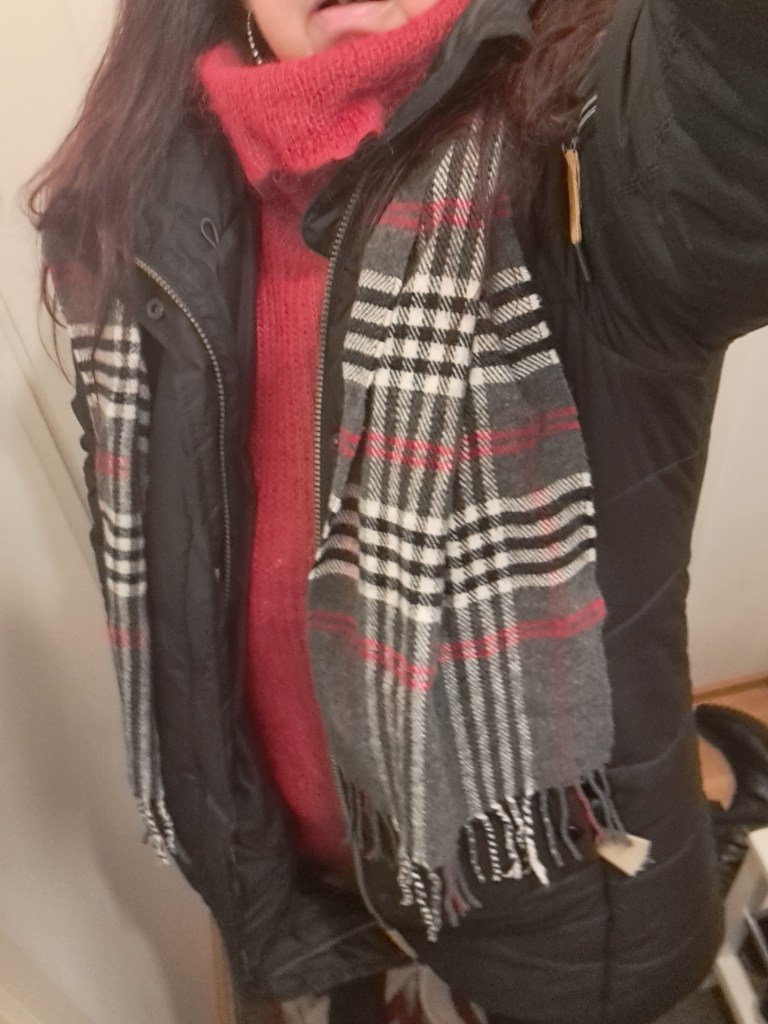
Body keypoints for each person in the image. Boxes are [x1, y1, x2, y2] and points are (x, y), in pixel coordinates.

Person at [29, 0, 768, 1020]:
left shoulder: (583, 142)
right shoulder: (147, 198)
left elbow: (732, 101)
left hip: (567, 935)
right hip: (301, 900)